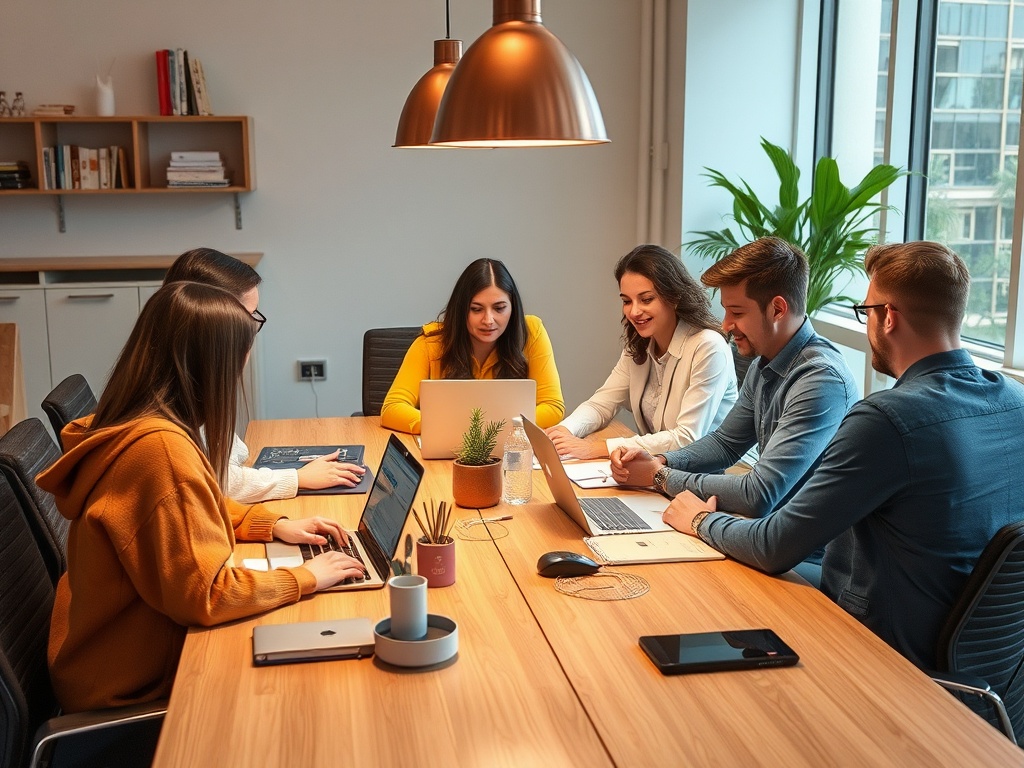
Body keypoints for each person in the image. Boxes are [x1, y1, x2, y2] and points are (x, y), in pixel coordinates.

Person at [661, 241, 1024, 668]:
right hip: (987, 670)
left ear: (887, 318)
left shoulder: (887, 419)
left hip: (879, 657)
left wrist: (698, 518)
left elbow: (775, 545)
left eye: (865, 311)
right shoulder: (1015, 399)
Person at [36, 281, 366, 713]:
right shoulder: (160, 451)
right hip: (125, 689)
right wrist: (306, 578)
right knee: (313, 696)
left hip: (107, 655)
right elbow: (207, 595)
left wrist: (271, 525)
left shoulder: (145, 423)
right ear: (211, 367)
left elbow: (191, 506)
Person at [610, 238, 858, 584]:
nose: (726, 325)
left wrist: (658, 477)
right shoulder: (766, 362)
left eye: (737, 312)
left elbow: (759, 494)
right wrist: (664, 461)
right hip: (756, 535)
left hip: (800, 562)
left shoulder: (820, 380)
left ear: (778, 309)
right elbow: (725, 444)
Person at [164, 247, 365, 501]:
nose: (251, 333)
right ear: (212, 322)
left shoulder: (187, 385)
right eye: (249, 318)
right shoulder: (165, 432)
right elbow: (213, 482)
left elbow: (229, 460)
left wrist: (272, 524)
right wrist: (297, 477)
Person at [545, 244, 737, 459]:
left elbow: (687, 437)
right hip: (660, 470)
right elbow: (601, 404)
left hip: (712, 477)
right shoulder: (639, 345)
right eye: (626, 301)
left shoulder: (708, 347)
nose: (634, 311)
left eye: (646, 299)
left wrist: (596, 449)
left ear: (673, 297)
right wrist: (564, 431)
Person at [381, 258, 564, 434]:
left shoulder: (531, 332)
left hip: (508, 448)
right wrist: (459, 429)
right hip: (448, 447)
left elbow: (552, 406)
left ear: (513, 308)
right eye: (476, 309)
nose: (488, 320)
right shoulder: (431, 342)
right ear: (461, 310)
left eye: (499, 308)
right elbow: (392, 408)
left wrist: (492, 430)